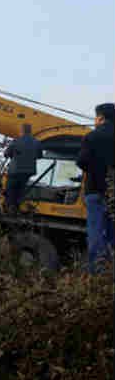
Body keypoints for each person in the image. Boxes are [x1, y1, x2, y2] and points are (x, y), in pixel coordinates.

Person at [77, 102, 115, 273]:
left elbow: (82, 161)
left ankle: (98, 271)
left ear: (100, 117)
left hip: (95, 190)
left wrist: (96, 169)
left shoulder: (91, 136)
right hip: (113, 192)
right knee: (112, 232)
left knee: (96, 231)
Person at [3, 123, 42, 212]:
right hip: (29, 171)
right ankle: (17, 206)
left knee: (10, 189)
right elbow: (40, 156)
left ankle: (10, 207)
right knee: (21, 188)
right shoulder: (37, 142)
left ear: (22, 131)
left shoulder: (16, 141)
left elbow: (6, 154)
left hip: (15, 171)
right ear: (30, 131)